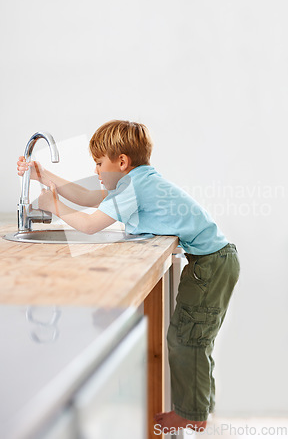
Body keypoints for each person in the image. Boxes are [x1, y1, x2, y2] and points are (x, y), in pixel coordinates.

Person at [17, 119, 240, 434]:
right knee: (195, 338)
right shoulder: (136, 181)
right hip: (215, 261)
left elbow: (92, 223)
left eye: (98, 163)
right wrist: (43, 175)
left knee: (187, 339)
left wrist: (55, 208)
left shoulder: (134, 185)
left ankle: (193, 412)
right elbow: (88, 196)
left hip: (211, 265)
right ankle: (200, 407)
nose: (95, 170)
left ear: (121, 162)